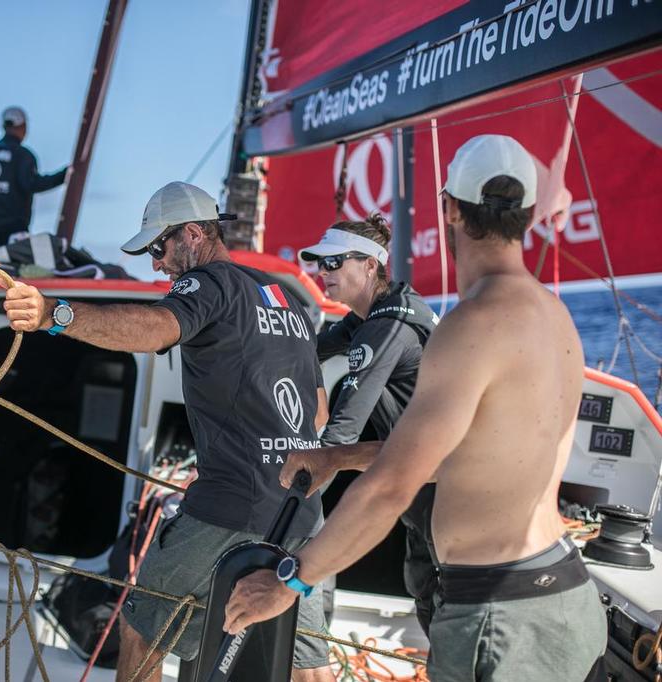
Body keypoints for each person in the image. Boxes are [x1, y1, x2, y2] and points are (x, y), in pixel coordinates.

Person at [223, 135, 607, 681]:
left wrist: (290, 582)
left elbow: (391, 487)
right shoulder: (556, 318)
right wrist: (340, 458)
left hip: (499, 619)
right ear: (526, 216)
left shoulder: (470, 325)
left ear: (448, 208)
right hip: (564, 597)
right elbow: (474, 455)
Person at [3, 181, 336, 682]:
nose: (156, 264)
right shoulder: (285, 299)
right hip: (300, 511)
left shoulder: (209, 283)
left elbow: (156, 327)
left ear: (195, 234)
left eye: (159, 248)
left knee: (143, 624)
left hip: (227, 506)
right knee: (305, 660)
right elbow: (318, 413)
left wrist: (55, 314)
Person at [298, 213, 440, 633]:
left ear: (370, 265)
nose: (323, 273)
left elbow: (342, 434)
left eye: (334, 262)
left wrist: (286, 505)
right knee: (428, 596)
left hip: (443, 497)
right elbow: (309, 350)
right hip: (423, 492)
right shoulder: (371, 317)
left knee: (446, 617)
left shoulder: (388, 326)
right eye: (320, 264)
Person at [0, 106, 68, 250]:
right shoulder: (23, 156)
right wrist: (65, 175)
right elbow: (33, 184)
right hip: (11, 231)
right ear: (23, 127)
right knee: (8, 271)